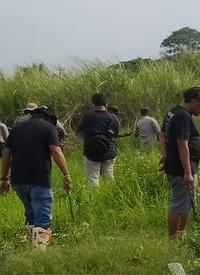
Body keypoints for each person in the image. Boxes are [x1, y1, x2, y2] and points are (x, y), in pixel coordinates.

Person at [0, 106, 73, 249]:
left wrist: (4, 178)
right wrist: (67, 175)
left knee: (30, 213)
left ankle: (29, 246)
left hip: (18, 180)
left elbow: (6, 154)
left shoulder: (17, 129)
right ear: (49, 118)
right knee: (43, 215)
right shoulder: (48, 128)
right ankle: (39, 254)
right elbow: (56, 151)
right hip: (39, 179)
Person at [159, 87, 200, 239]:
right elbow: (182, 145)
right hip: (181, 169)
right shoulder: (182, 116)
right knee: (179, 204)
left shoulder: (172, 112)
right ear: (194, 101)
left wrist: (165, 154)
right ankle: (173, 240)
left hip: (180, 165)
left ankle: (181, 236)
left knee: (187, 203)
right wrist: (187, 172)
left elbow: (162, 134)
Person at [77, 93, 120, 185]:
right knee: (109, 178)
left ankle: (95, 198)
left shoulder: (87, 116)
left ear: (93, 104)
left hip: (91, 151)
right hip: (109, 150)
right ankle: (112, 197)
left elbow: (80, 130)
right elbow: (115, 134)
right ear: (106, 104)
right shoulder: (112, 117)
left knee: (93, 179)